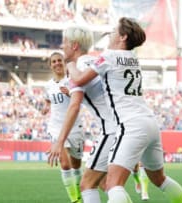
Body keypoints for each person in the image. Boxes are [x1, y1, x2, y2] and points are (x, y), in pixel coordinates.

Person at [67, 17, 182, 203]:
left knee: (113, 184)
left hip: (130, 125)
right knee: (159, 179)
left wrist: (70, 63)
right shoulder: (133, 58)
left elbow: (79, 79)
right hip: (150, 123)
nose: (110, 34)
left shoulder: (109, 56)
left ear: (123, 37)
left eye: (114, 31)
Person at [47, 25, 117, 203]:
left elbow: (75, 106)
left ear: (75, 45)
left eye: (65, 43)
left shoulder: (77, 68)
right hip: (123, 125)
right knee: (108, 184)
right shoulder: (94, 63)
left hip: (111, 129)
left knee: (87, 184)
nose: (63, 47)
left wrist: (59, 142)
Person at [42, 52, 85, 203]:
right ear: (50, 65)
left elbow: (82, 100)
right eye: (53, 61)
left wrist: (70, 94)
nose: (57, 63)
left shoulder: (73, 80)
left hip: (74, 128)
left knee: (76, 165)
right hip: (56, 128)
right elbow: (48, 99)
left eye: (59, 60)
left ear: (64, 62)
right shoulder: (48, 85)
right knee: (65, 164)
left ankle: (79, 192)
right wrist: (46, 107)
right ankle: (75, 200)